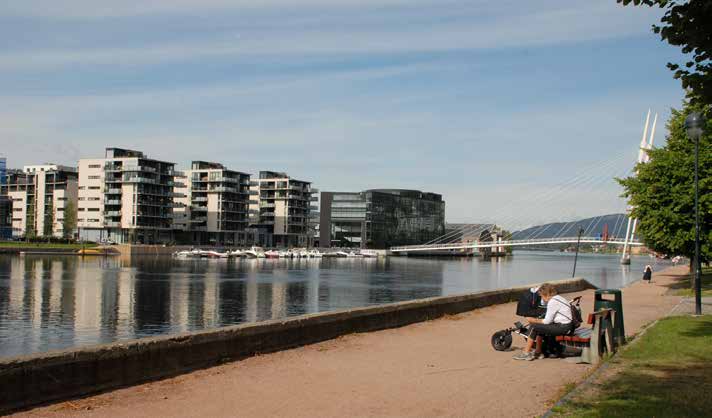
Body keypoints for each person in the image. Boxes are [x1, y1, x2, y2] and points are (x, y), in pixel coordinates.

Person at [513, 284, 574, 361]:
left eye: (542, 296)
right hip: (567, 326)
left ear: (547, 295)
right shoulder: (559, 298)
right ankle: (538, 352)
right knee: (538, 327)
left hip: (563, 327)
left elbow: (547, 321)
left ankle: (526, 353)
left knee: (534, 326)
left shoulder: (552, 302)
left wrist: (533, 320)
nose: (541, 298)